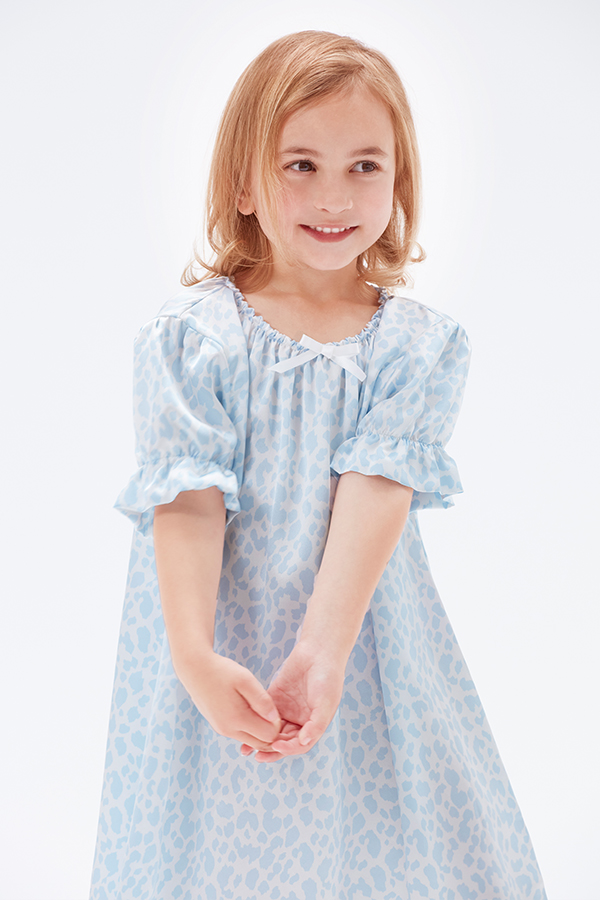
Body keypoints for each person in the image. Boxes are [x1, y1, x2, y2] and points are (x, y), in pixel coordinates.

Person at [89, 30, 547, 900]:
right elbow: (186, 498)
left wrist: (323, 650)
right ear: (243, 183)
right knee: (227, 830)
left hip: (362, 632)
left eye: (365, 166)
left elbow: (377, 491)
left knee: (391, 822)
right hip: (220, 632)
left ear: (399, 182)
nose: (334, 196)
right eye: (300, 165)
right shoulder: (193, 339)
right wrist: (193, 655)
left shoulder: (416, 347)